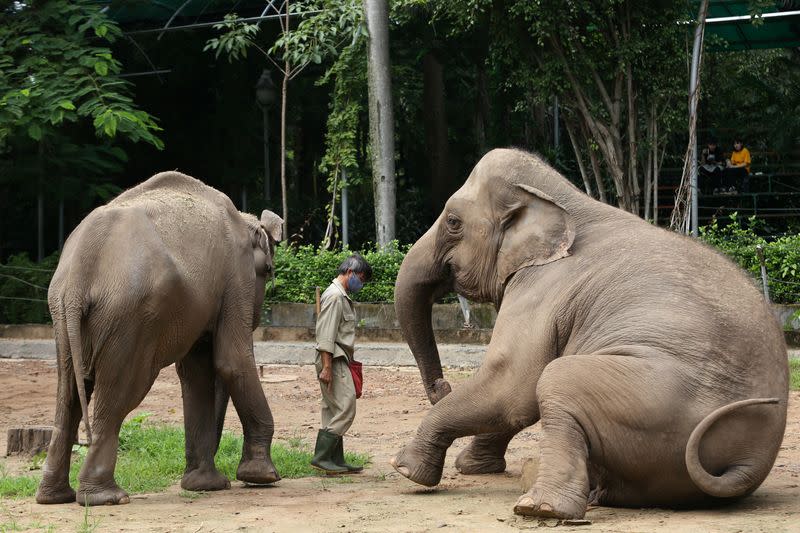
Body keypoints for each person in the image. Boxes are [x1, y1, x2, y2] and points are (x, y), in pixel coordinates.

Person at [310, 253, 372, 474]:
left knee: (332, 409)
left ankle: (334, 461)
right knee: (346, 406)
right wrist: (327, 367)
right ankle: (322, 456)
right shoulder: (335, 297)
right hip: (333, 359)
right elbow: (326, 335)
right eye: (361, 279)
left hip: (336, 358)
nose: (361, 284)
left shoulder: (340, 295)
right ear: (350, 272)